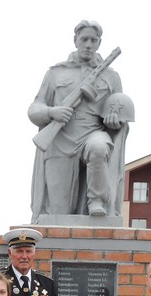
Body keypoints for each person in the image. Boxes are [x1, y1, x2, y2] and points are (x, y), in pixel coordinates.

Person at [29, 19, 130, 220]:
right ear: (75, 40)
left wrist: (115, 122)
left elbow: (119, 110)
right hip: (60, 140)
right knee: (57, 212)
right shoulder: (56, 73)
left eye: (94, 40)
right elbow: (35, 108)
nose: (89, 44)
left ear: (99, 43)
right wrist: (52, 112)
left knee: (99, 147)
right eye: (84, 39)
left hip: (93, 133)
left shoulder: (111, 76)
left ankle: (97, 200)